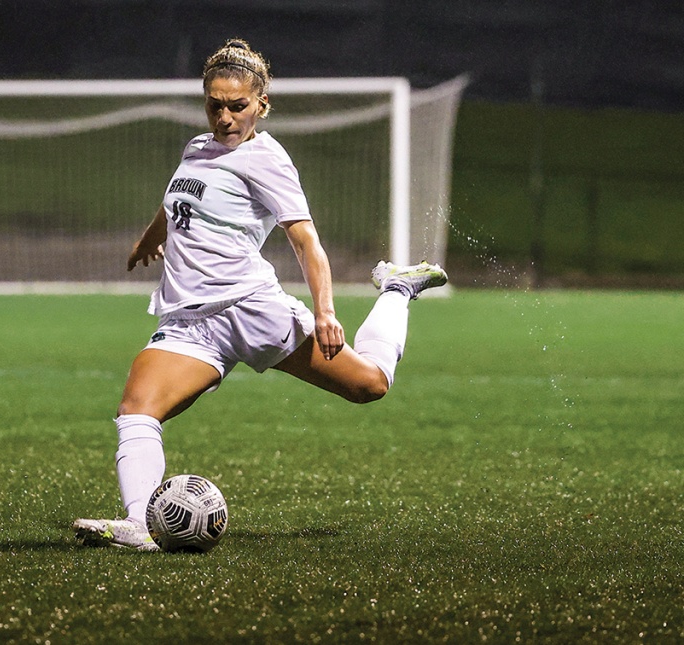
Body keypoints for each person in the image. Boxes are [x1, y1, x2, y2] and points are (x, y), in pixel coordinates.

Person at [73, 39, 447, 551]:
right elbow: (178, 199)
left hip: (252, 310)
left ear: (261, 105)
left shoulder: (267, 160)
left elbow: (305, 241)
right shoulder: (197, 150)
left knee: (370, 386)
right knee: (136, 409)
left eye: (237, 106)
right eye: (214, 105)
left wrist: (327, 313)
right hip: (190, 323)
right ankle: (143, 526)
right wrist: (151, 237)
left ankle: (398, 289)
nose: (224, 116)